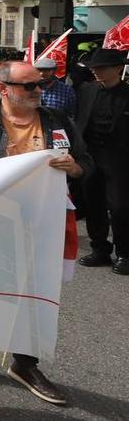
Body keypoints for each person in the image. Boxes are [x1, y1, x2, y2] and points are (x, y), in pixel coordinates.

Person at [0, 61, 89, 406]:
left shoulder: (58, 122)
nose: (40, 90)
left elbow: (87, 164)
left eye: (41, 83)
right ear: (2, 88)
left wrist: (76, 167)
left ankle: (26, 365)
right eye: (30, 86)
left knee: (33, 295)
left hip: (42, 223)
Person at [74, 48, 129, 275]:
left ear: (118, 69)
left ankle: (125, 253)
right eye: (94, 68)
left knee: (120, 207)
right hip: (91, 156)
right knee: (93, 204)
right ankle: (100, 249)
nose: (96, 72)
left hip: (121, 158)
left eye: (102, 68)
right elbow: (79, 121)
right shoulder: (87, 91)